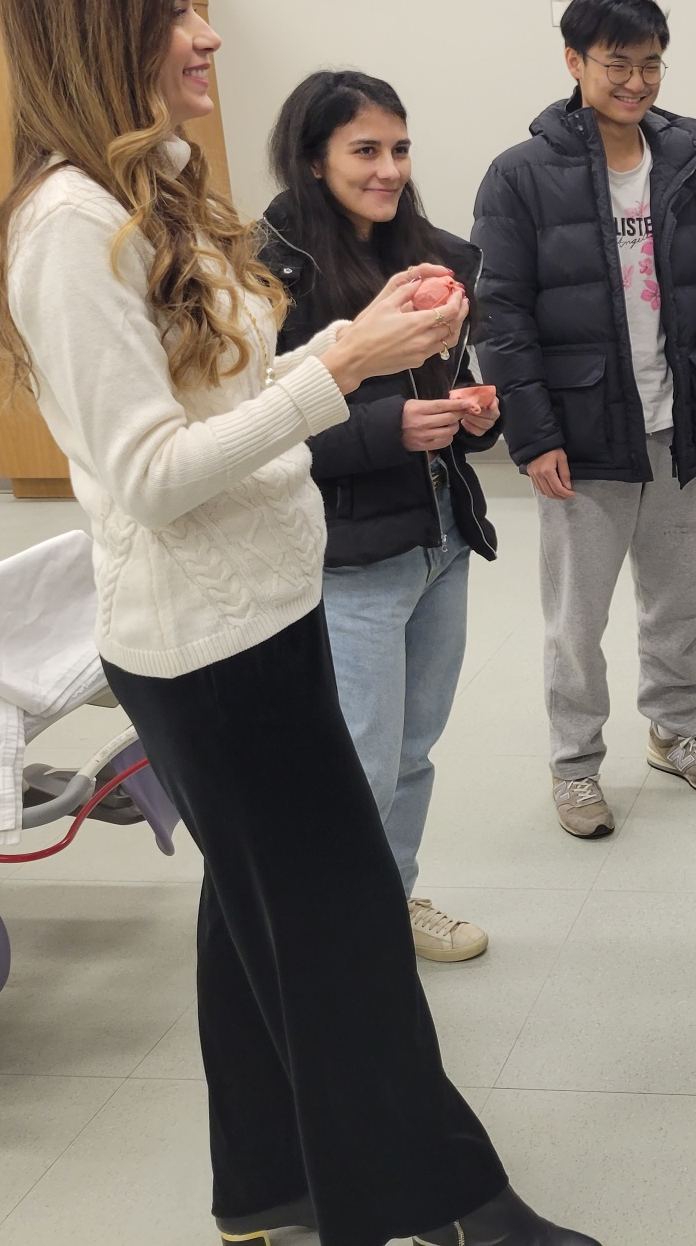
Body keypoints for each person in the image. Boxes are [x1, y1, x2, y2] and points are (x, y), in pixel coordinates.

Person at [0, 0, 590, 1246]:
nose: (204, 32)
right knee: (344, 941)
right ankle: (445, 1205)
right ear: (104, 32)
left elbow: (226, 390)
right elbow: (149, 471)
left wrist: (352, 346)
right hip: (202, 654)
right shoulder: (65, 229)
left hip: (263, 616)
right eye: (172, 11)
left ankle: (267, 1189)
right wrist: (348, 367)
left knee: (255, 927)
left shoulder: (148, 188)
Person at [474, 0, 696, 841]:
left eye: (650, 64)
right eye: (617, 63)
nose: (636, 81)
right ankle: (576, 767)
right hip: (584, 436)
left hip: (681, 429)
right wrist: (533, 437)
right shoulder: (520, 175)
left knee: (679, 603)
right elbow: (503, 316)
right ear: (575, 63)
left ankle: (675, 731)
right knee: (577, 621)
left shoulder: (686, 168)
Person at [257, 70, 500, 965]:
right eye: (365, 150)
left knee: (413, 749)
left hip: (438, 535)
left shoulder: (434, 255)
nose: (389, 168)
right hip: (347, 554)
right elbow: (256, 436)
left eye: (399, 148)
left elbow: (450, 387)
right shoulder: (273, 273)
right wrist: (384, 430)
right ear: (314, 159)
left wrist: (476, 410)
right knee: (355, 762)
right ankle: (335, 939)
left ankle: (388, 903)